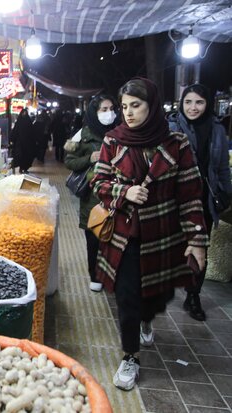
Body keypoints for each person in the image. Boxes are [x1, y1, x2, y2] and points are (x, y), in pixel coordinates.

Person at [91, 78, 208, 391]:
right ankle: (130, 356)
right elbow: (98, 183)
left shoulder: (177, 144)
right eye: (124, 106)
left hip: (163, 236)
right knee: (127, 297)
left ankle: (147, 318)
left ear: (152, 105)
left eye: (136, 106)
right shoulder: (112, 141)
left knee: (158, 296)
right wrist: (124, 192)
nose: (128, 113)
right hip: (125, 236)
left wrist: (197, 240)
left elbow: (190, 193)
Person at [168, 84, 232, 321]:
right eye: (188, 102)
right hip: (174, 199)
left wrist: (225, 194)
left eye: (199, 103)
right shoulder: (170, 127)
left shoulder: (217, 130)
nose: (193, 108)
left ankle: (193, 295)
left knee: (199, 248)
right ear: (181, 103)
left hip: (205, 199)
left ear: (207, 105)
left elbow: (222, 167)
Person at [64, 94, 118, 292]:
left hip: (118, 194)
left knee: (115, 238)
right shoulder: (83, 134)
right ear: (94, 112)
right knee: (94, 238)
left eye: (111, 108)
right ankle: (94, 275)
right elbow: (69, 161)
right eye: (103, 110)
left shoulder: (121, 131)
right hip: (92, 197)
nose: (109, 113)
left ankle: (112, 274)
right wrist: (90, 158)